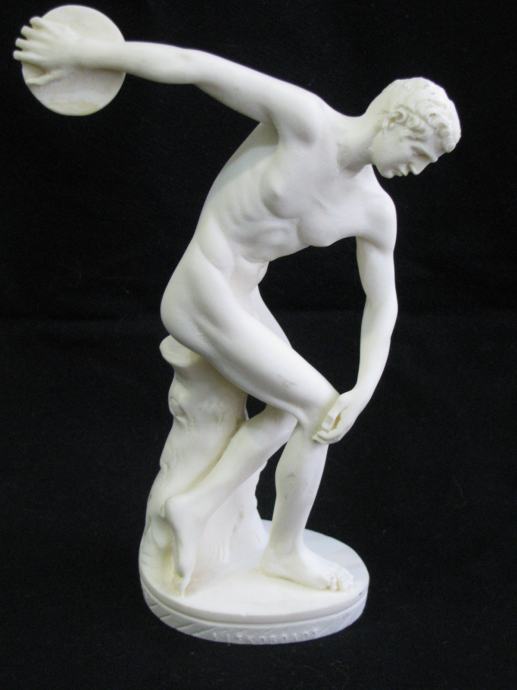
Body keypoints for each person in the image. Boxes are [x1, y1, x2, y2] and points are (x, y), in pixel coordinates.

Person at [14, 17, 461, 593]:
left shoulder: (375, 209)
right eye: (419, 151)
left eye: (428, 163)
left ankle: (194, 507)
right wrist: (89, 51)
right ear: (394, 119)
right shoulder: (307, 122)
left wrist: (364, 389)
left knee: (292, 413)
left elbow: (384, 303)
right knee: (315, 407)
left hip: (241, 295)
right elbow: (197, 67)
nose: (416, 169)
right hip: (201, 285)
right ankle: (284, 553)